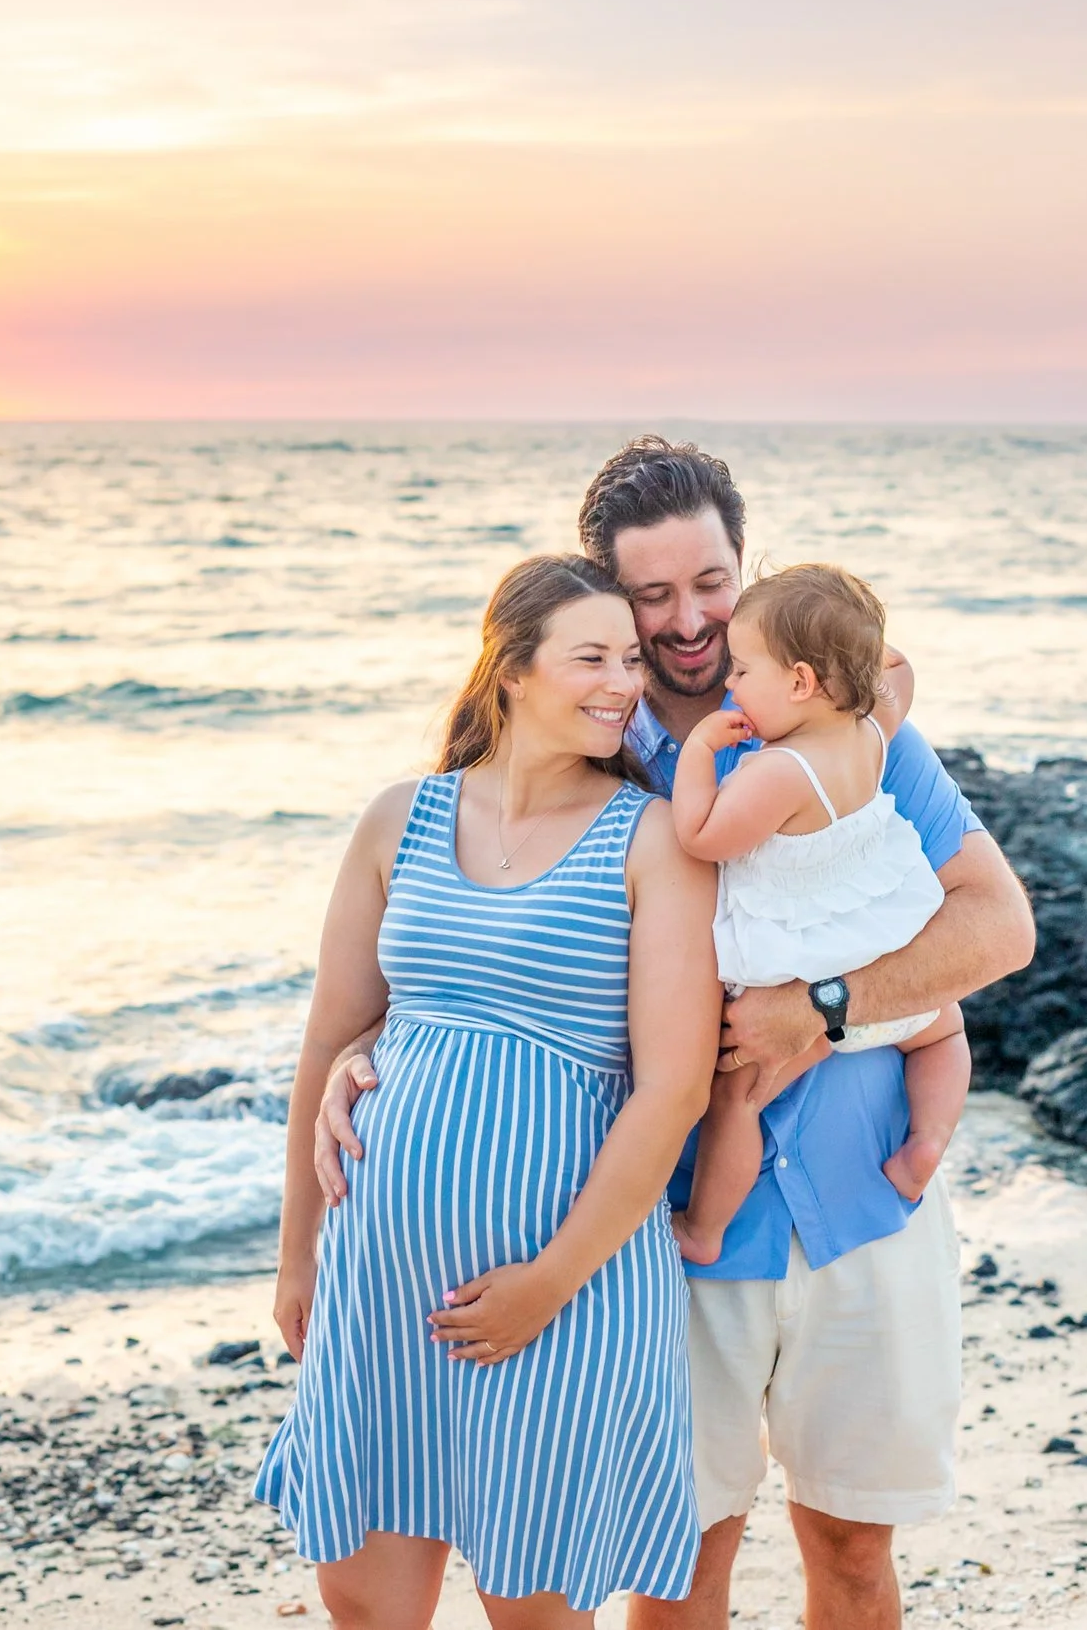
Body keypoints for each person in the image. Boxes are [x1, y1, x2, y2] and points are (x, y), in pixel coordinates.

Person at [320, 439, 1038, 1630]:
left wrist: (823, 1006)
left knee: (855, 1549)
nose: (690, 618)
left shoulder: (854, 736)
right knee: (677, 1564)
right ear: (611, 601)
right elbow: (475, 936)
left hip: (866, 1197)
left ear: (743, 566)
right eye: (653, 596)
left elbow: (999, 924)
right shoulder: (590, 749)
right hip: (669, 1229)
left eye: (710, 582)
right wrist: (372, 1049)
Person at [256, 554, 722, 1629]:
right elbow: (331, 1035)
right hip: (379, 1287)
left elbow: (674, 1089)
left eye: (633, 660)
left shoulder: (650, 838)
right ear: (510, 669)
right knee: (365, 1607)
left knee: (534, 1614)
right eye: (591, 656)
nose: (623, 683)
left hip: (569, 1293)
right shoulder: (398, 819)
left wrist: (549, 1280)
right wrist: (297, 1252)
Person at [667, 563, 972, 1265]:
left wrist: (700, 750)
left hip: (798, 974)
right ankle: (924, 1144)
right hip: (877, 960)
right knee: (941, 1029)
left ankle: (705, 1228)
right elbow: (897, 669)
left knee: (737, 1098)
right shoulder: (873, 731)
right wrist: (851, 647)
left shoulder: (776, 772)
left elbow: (701, 834)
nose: (729, 685)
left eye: (743, 670)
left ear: (801, 682)